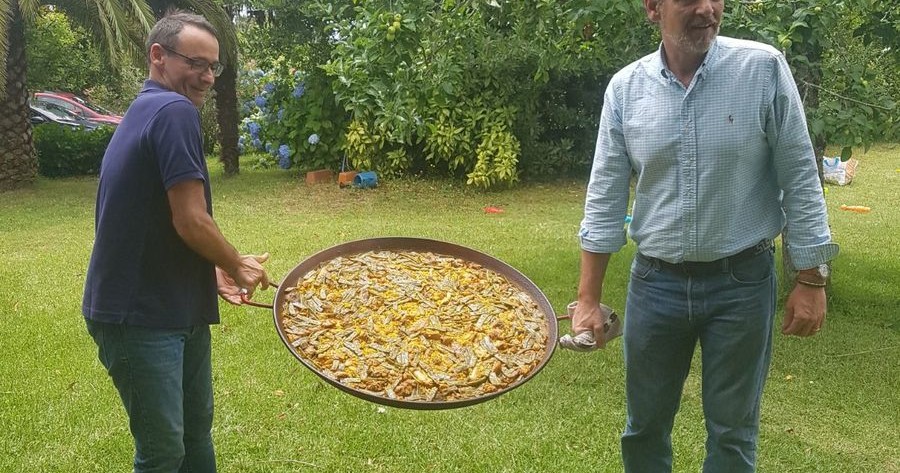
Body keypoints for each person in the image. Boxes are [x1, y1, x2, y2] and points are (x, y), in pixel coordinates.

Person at [572, 0, 839, 471]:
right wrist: (588, 299)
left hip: (742, 284)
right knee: (644, 428)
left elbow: (800, 175)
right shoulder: (626, 89)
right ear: (653, 8)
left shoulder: (762, 69)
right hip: (655, 286)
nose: (706, 9)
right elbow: (605, 196)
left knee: (733, 434)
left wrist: (812, 277)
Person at [82, 10, 270, 472]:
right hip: (140, 316)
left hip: (175, 304)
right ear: (158, 56)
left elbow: (151, 216)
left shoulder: (148, 109)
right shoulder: (173, 111)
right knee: (164, 451)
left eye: (213, 66)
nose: (207, 77)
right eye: (195, 63)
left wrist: (212, 267)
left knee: (194, 435)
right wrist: (237, 264)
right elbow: (190, 219)